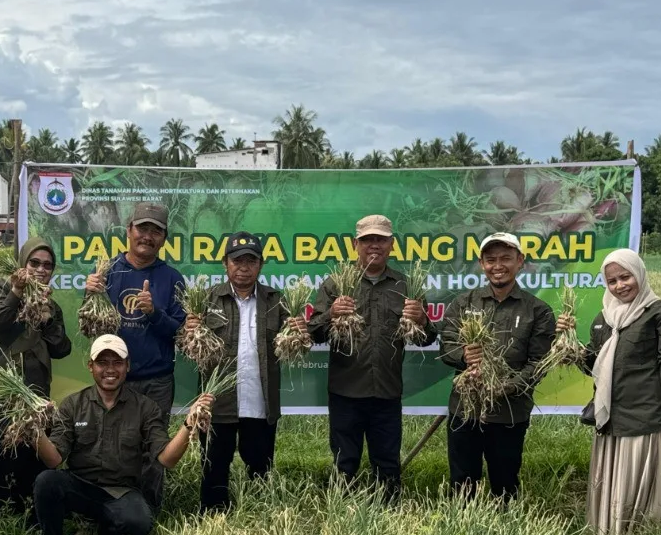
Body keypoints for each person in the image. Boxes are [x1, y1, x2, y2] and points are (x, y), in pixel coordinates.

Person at [31, 334, 211, 535]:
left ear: (127, 366)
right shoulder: (73, 405)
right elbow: (54, 460)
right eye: (102, 362)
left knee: (139, 522)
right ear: (91, 366)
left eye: (117, 362)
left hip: (122, 492)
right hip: (81, 486)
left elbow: (166, 460)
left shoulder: (145, 408)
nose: (110, 369)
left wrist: (189, 424)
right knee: (46, 481)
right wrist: (34, 431)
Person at [556, 248, 661, 535]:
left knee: (637, 484)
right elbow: (595, 366)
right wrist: (569, 348)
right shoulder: (602, 318)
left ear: (640, 274)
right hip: (610, 418)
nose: (620, 285)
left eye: (626, 277)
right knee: (609, 484)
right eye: (612, 281)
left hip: (646, 418)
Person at [307, 214, 431, 501]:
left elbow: (426, 339)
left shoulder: (406, 286)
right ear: (355, 244)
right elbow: (313, 333)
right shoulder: (335, 284)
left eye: (380, 239)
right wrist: (331, 314)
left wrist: (423, 321)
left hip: (387, 392)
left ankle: (388, 517)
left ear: (391, 244)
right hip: (345, 391)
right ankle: (342, 514)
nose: (374, 245)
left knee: (387, 463)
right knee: (344, 462)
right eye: (367, 240)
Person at [438, 232, 556, 500]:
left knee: (505, 482)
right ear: (482, 264)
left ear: (520, 262)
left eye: (506, 258)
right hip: (464, 411)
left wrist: (507, 387)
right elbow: (446, 346)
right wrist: (464, 356)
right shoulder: (464, 303)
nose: (498, 265)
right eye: (491, 259)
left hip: (509, 413)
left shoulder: (538, 310)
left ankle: (504, 532)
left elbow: (539, 364)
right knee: (462, 482)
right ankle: (462, 528)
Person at [187, 231, 299, 512]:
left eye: (251, 260)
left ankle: (259, 518)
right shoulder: (207, 300)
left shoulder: (276, 300)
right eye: (237, 261)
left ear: (260, 264)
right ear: (225, 263)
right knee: (214, 469)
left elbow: (295, 346)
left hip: (260, 402)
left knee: (260, 468)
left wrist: (299, 333)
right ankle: (213, 520)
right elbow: (186, 346)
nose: (243, 267)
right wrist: (188, 332)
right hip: (218, 404)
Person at [0, 236, 72, 518]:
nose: (41, 269)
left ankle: (24, 512)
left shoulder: (50, 303)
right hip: (0, 391)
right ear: (22, 263)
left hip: (34, 393)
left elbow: (62, 348)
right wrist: (17, 292)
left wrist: (47, 318)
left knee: (29, 453)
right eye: (35, 262)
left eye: (48, 265)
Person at [83, 202, 186, 414]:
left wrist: (154, 313)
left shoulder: (172, 278)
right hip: (113, 379)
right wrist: (89, 295)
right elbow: (88, 329)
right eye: (142, 229)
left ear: (164, 239)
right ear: (129, 230)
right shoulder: (105, 272)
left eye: (156, 231)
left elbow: (180, 334)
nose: (148, 237)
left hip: (157, 382)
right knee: (113, 443)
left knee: (154, 444)